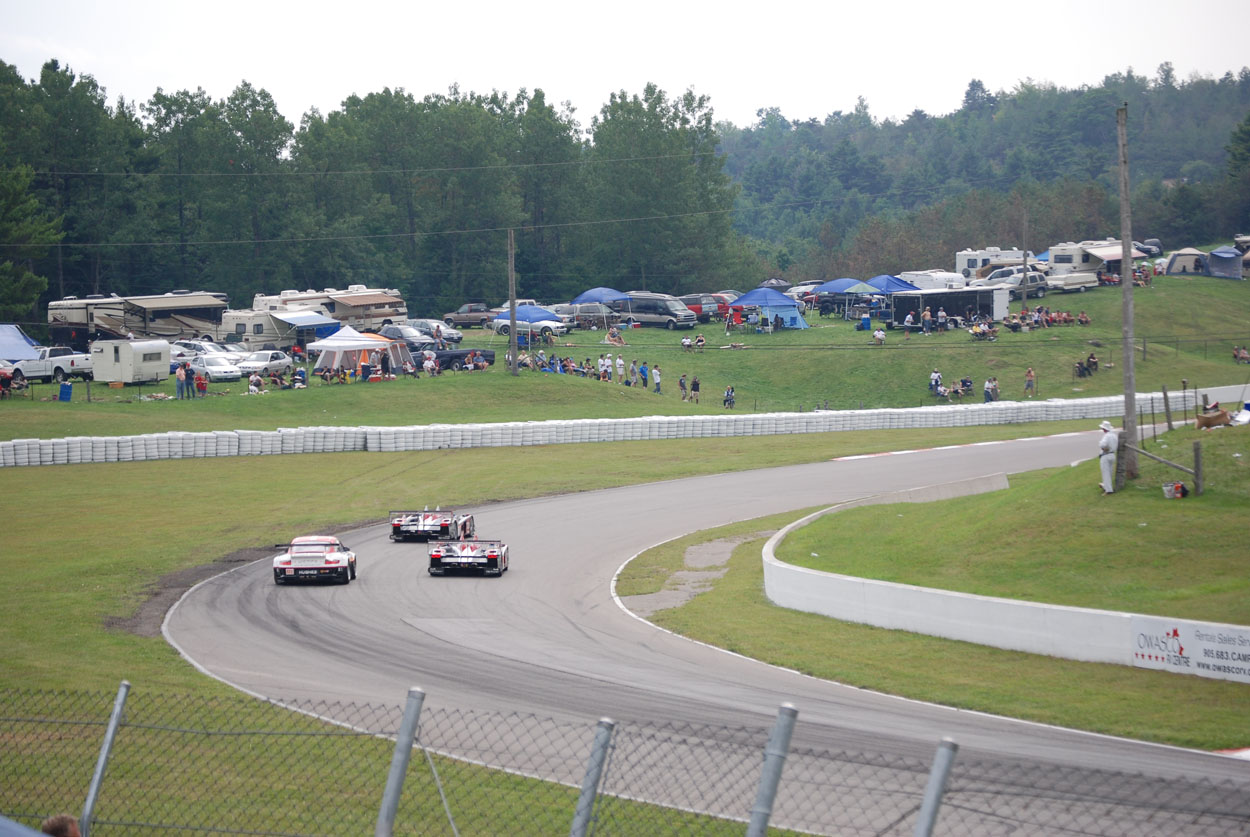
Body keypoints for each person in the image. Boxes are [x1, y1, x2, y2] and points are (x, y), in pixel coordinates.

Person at [1098, 420, 1118, 494]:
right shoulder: (1114, 435)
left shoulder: (1107, 436)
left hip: (1106, 455)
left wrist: (1101, 446)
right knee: (1109, 472)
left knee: (1105, 473)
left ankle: (1108, 490)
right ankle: (1106, 486)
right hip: (1112, 454)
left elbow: (1102, 445)